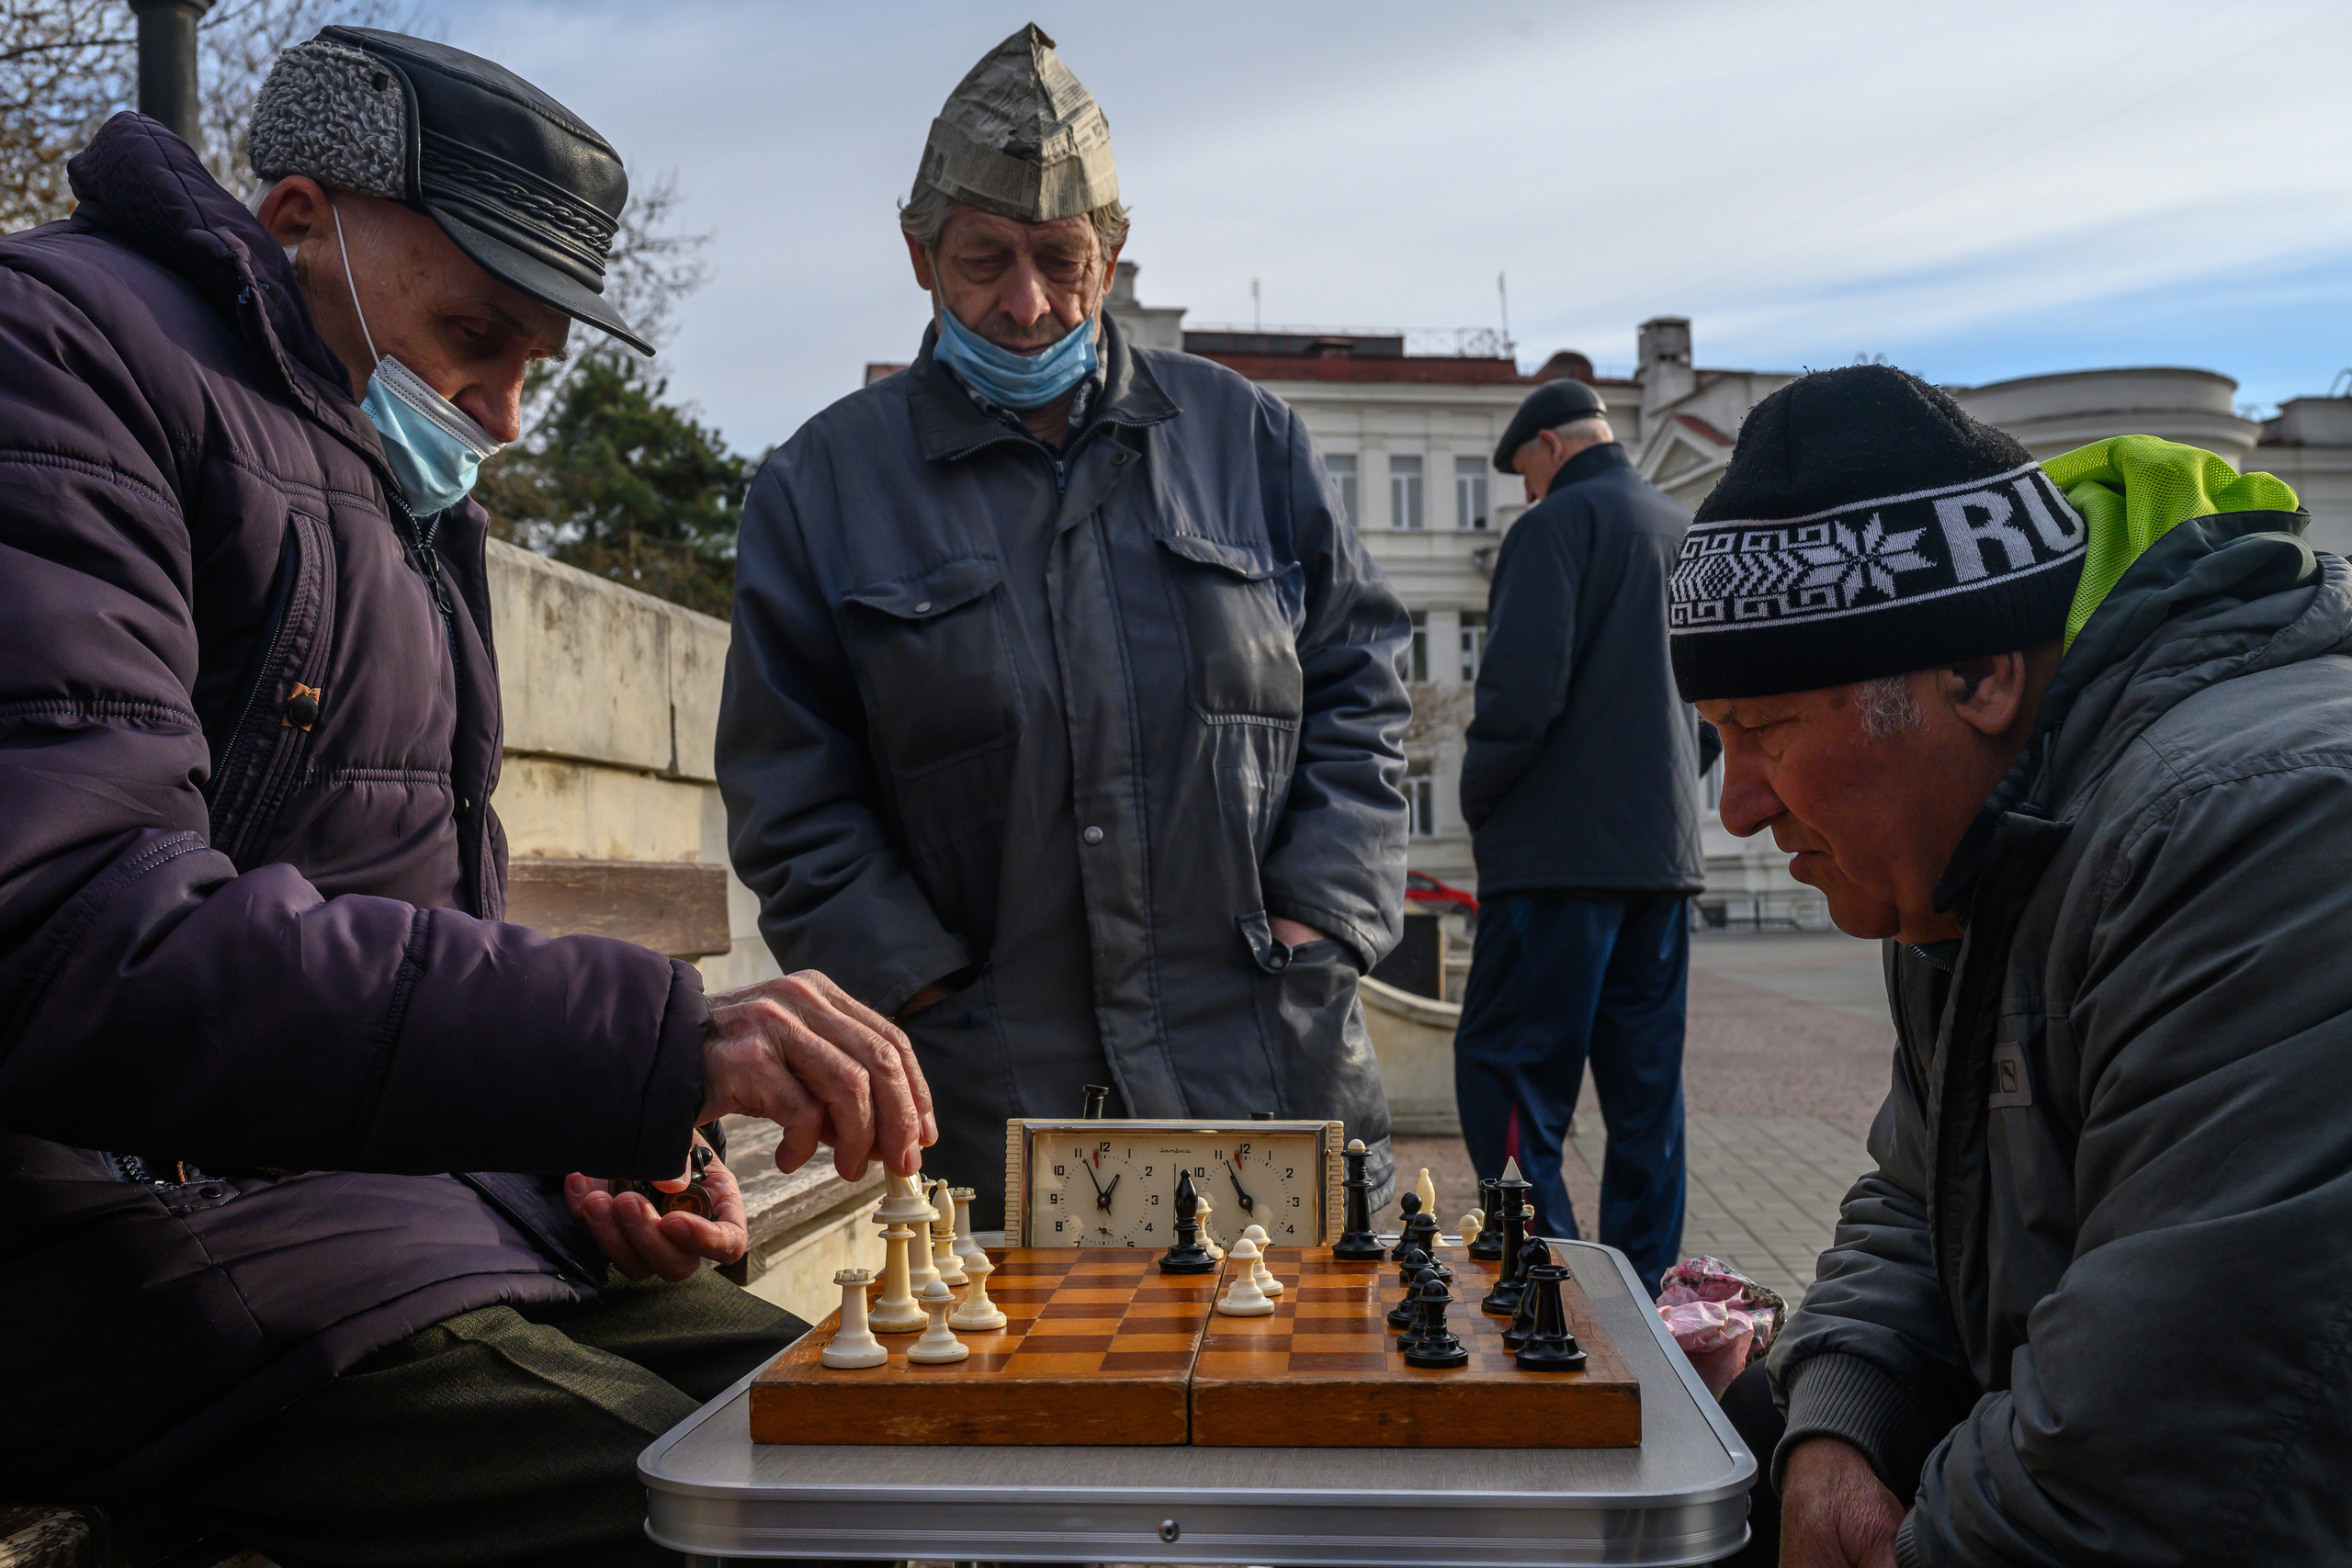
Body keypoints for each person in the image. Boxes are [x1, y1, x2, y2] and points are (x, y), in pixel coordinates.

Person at [0, 28, 931, 1565]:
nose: (499, 414)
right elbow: (74, 935)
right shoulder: (61, 356)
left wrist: (583, 1160)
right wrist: (644, 1043)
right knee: (794, 1521)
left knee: (924, 1451)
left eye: (533, 368)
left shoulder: (385, 469)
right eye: (472, 337)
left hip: (388, 1229)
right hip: (138, 1261)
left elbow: (394, 953)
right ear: (299, 214)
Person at [718, 25, 1413, 1227]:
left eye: (1061, 257)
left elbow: (1362, 687)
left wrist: (1319, 915)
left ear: (1116, 251)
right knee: (1043, 1409)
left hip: (1268, 1067)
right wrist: (920, 987)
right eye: (984, 259)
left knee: (1307, 1397)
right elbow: (791, 788)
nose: (1027, 302)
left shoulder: (1251, 442)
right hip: (995, 1101)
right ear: (919, 255)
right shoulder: (818, 486)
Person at [1674, 366, 2352, 1565]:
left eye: (1769, 729)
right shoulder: (1984, 841)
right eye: (1717, 738)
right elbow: (1928, 1192)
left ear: (1981, 674)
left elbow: (2161, 1461)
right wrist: (1838, 1414)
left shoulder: (2262, 827)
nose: (1736, 808)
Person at [1453, 377, 1705, 1295]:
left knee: (1510, 1078)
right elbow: (1714, 706)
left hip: (1553, 866)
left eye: (1524, 470)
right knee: (1646, 1096)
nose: (1523, 491)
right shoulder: (1685, 531)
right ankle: (1641, 1292)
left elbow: (1518, 696)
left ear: (1551, 449)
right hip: (1663, 864)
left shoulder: (1552, 528)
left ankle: (1551, 1279)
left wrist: (1479, 797)